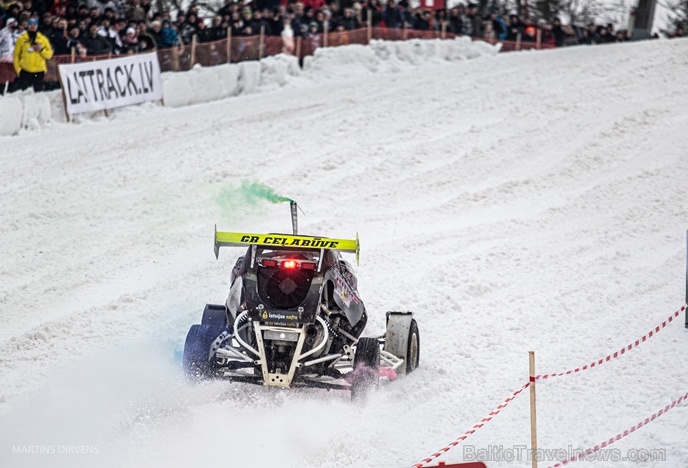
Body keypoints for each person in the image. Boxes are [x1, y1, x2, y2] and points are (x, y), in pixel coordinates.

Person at [13, 17, 53, 92]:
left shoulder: (43, 39)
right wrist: (18, 69)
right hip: (25, 70)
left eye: (34, 24)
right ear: (27, 26)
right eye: (30, 24)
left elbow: (49, 55)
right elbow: (16, 55)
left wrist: (41, 50)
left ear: (37, 26)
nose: (32, 26)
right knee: (24, 92)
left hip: (39, 70)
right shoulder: (21, 39)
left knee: (38, 92)